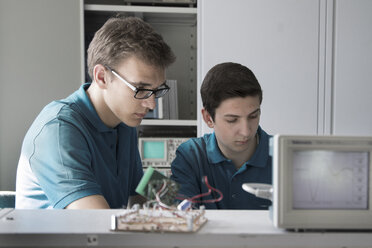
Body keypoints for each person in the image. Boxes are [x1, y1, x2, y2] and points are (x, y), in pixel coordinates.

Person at [15, 16, 175, 209]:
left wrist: (184, 196)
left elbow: (144, 192)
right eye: (140, 89)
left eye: (157, 91)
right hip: (75, 238)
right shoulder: (58, 131)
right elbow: (97, 227)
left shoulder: (123, 122)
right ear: (102, 77)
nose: (151, 105)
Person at [171, 62, 272, 209]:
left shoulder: (284, 155)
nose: (246, 131)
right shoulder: (190, 156)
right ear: (208, 118)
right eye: (232, 120)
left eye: (253, 116)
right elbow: (180, 218)